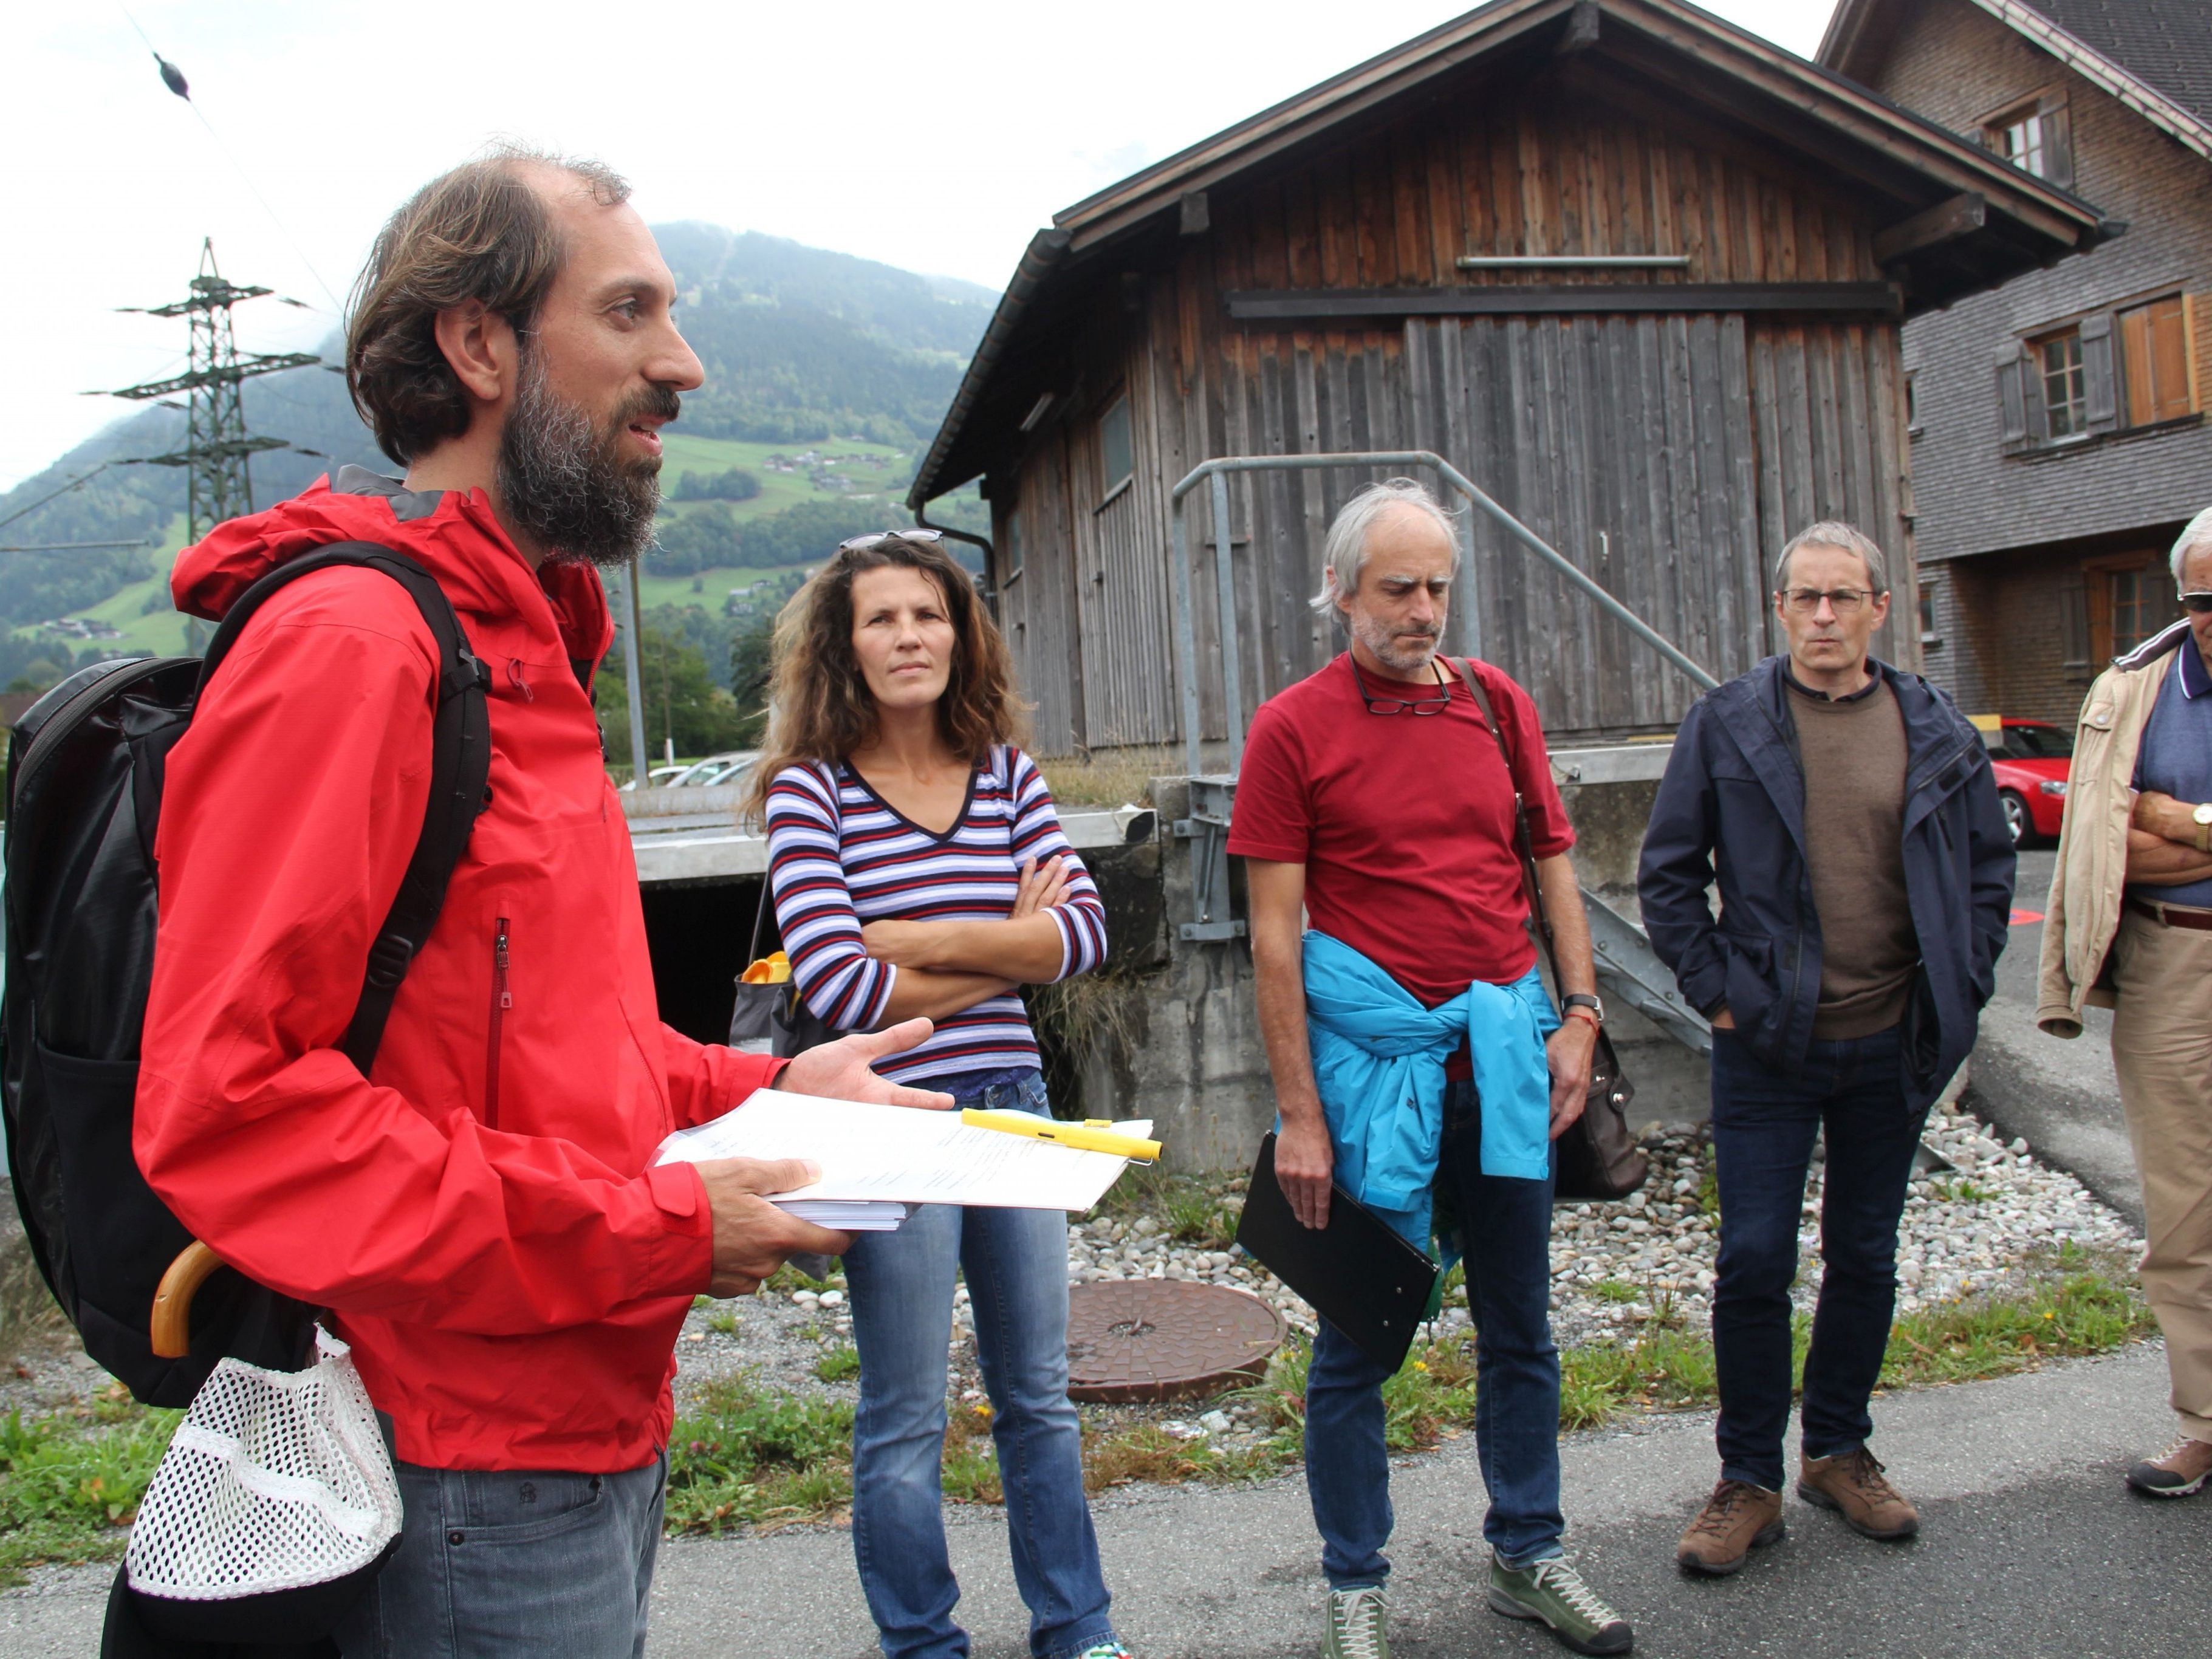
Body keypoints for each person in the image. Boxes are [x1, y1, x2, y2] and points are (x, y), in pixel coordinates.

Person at [134, 147, 951, 1659]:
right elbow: (231, 1110)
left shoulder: (525, 648)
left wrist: (772, 1086)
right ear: (481, 344)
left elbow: (555, 1051)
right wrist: (656, 1221)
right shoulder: (353, 649)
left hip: (583, 1425)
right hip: (451, 1459)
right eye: (630, 311)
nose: (684, 364)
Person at [1227, 479, 1634, 1659]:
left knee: (1521, 1327)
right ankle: (1356, 1584)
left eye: (1438, 586)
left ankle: (1531, 1551)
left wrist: (1581, 1013)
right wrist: (1299, 1116)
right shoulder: (1291, 728)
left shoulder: (1498, 705)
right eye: (1398, 587)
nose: (1422, 609)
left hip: (1505, 1065)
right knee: (1358, 1340)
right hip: (1373, 1086)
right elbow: (1273, 939)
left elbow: (1553, 865)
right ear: (1342, 590)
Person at [750, 530, 1131, 1659]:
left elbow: (1086, 935)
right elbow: (835, 978)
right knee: (906, 1411)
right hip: (887, 1113)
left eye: (928, 614)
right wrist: (1011, 941)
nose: (908, 636)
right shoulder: (806, 789)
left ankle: (1078, 1628)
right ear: (844, 646)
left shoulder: (1007, 772)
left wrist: (919, 935)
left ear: (960, 634)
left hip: (1013, 1098)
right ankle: (922, 1643)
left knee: (1039, 1398)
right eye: (881, 619)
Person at [1639, 522, 2013, 1575]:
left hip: (1893, 1040)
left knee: (1865, 1254)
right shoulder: (1728, 723)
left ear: (1878, 609)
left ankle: (1838, 1451)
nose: (1820, 618)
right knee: (1752, 1260)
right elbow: (1667, 876)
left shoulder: (1935, 726)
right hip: (1765, 1044)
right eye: (1803, 599)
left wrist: (1964, 979)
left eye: (1841, 599)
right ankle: (1747, 1478)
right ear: (1778, 609)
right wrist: (1717, 996)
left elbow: (1988, 872)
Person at [2038, 506, 2212, 1498]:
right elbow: (2105, 850)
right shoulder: (2134, 689)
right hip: (2171, 968)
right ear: (2178, 597)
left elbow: (2148, 835)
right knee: (2183, 1210)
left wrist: (2180, 820)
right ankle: (2202, 1419)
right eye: (2201, 600)